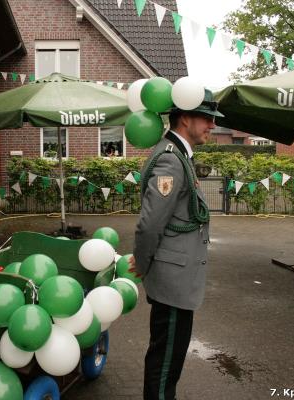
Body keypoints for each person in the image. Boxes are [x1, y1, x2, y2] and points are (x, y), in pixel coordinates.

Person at [129, 88, 224, 400]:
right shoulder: (171, 160)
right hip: (172, 282)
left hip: (177, 279)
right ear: (185, 118)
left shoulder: (178, 155)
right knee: (165, 363)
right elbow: (150, 224)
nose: (212, 125)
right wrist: (142, 263)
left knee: (169, 360)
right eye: (207, 118)